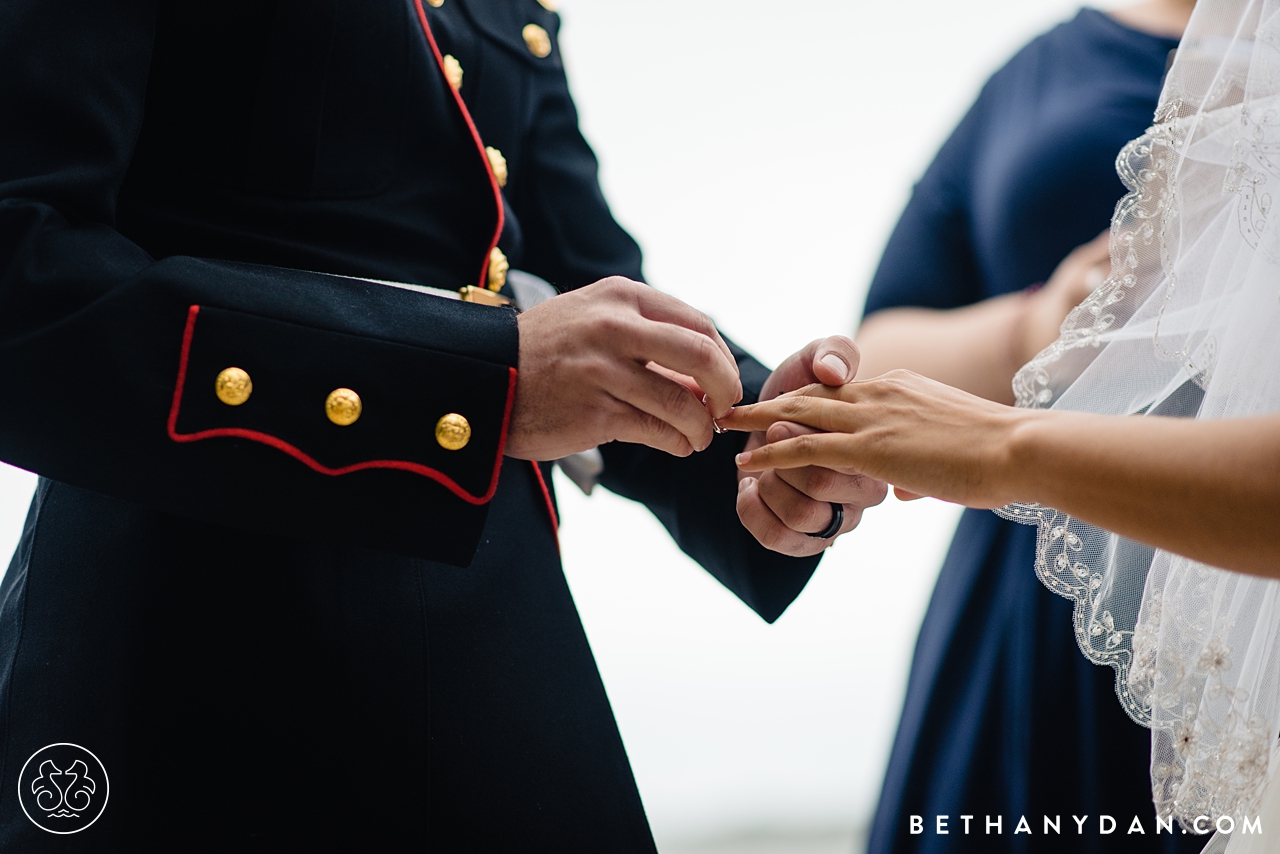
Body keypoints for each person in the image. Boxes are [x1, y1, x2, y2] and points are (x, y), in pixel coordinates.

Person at [0, 0, 885, 848]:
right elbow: (21, 280)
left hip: (495, 652)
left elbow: (586, 290)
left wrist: (774, 438)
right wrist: (481, 377)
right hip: (186, 646)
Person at [727, 0, 1280, 849]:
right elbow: (879, 348)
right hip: (1025, 616)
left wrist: (1002, 446)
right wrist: (1038, 328)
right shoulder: (1036, 76)